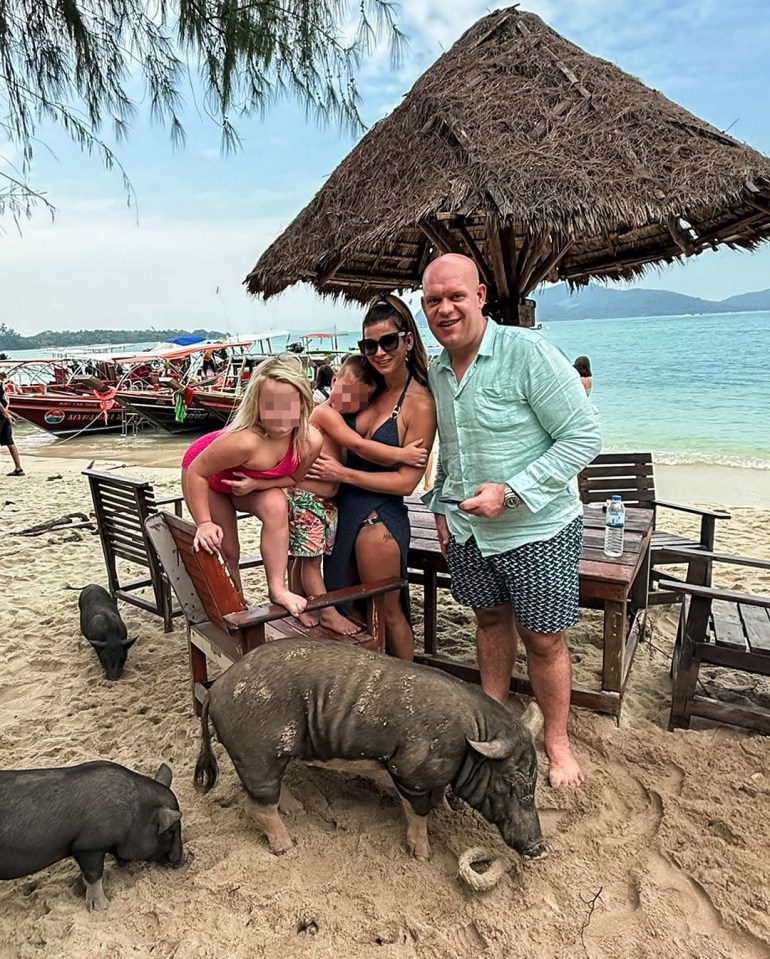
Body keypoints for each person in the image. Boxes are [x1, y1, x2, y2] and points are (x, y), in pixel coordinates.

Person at [420, 254, 602, 788]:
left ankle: (557, 741)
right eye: (433, 300)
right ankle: (493, 717)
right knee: (489, 622)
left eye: (455, 296)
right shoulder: (436, 368)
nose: (445, 308)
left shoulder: (528, 353)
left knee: (543, 640)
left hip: (538, 528)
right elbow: (452, 451)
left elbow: (585, 437)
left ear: (479, 296)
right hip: (470, 529)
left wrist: (513, 493)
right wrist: (441, 508)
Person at [308, 296, 436, 661]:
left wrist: (343, 473)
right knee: (349, 612)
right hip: (340, 514)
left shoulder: (419, 403)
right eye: (369, 345)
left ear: (408, 340)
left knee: (388, 615)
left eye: (388, 342)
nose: (379, 352)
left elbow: (406, 483)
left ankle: (408, 686)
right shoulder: (367, 387)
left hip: (377, 519)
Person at [289, 353, 428, 634]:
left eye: (358, 402)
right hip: (309, 500)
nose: (349, 404)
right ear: (335, 378)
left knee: (305, 558)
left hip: (324, 503)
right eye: (347, 394)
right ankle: (320, 610)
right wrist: (403, 454)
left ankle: (301, 602)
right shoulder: (325, 413)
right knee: (310, 561)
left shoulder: (340, 412)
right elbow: (358, 445)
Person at [181, 354, 322, 616]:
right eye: (270, 406)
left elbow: (293, 479)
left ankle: (277, 588)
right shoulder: (245, 441)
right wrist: (204, 523)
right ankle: (233, 603)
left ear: (303, 405)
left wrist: (256, 483)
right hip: (207, 479)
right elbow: (198, 471)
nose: (279, 415)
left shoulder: (310, 441)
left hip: (245, 481)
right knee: (227, 548)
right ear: (256, 405)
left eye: (287, 405)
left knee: (276, 504)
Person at [0, 372, 25, 476]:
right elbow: (6, 399)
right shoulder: (3, 384)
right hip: (4, 416)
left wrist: (5, 413)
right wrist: (7, 412)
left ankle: (18, 468)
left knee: (10, 442)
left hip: (1, 415)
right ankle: (18, 468)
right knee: (10, 442)